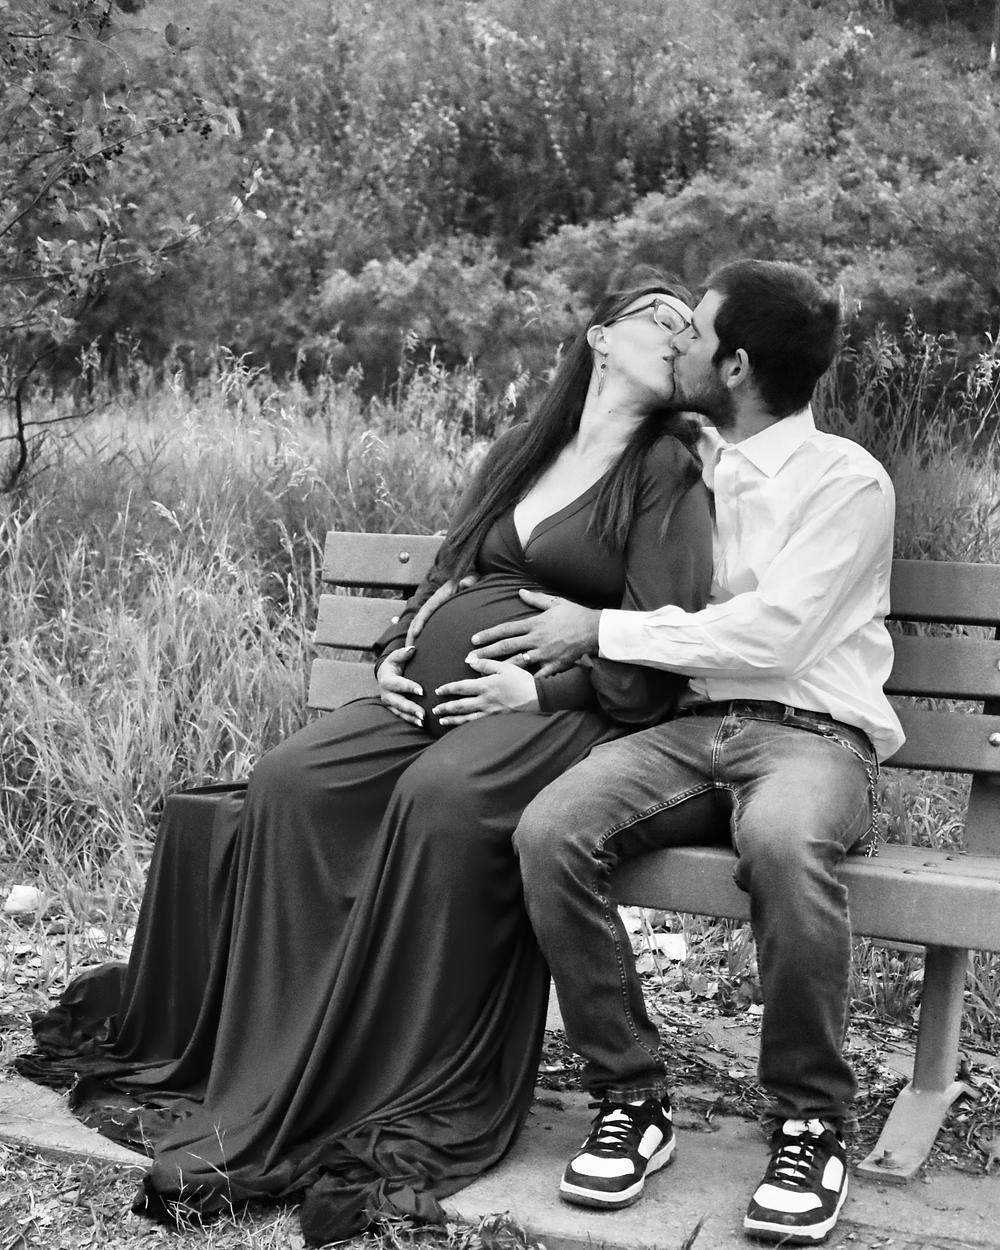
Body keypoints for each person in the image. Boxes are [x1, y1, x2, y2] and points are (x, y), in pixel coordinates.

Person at [16, 281, 713, 1245]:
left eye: (690, 326)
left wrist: (541, 693)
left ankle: (391, 1074)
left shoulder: (666, 469)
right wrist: (394, 653)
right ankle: (285, 1047)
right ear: (600, 338)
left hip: (564, 713)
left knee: (440, 798)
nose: (679, 332)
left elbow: (661, 638)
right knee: (291, 782)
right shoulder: (525, 449)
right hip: (429, 703)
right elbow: (449, 573)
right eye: (660, 316)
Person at [468, 259, 905, 1246]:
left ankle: (809, 1122)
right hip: (685, 733)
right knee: (550, 829)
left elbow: (778, 635)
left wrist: (604, 630)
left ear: (736, 366)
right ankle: (630, 1096)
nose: (678, 344)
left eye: (695, 333)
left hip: (812, 739)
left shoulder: (846, 480)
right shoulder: (691, 462)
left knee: (784, 842)